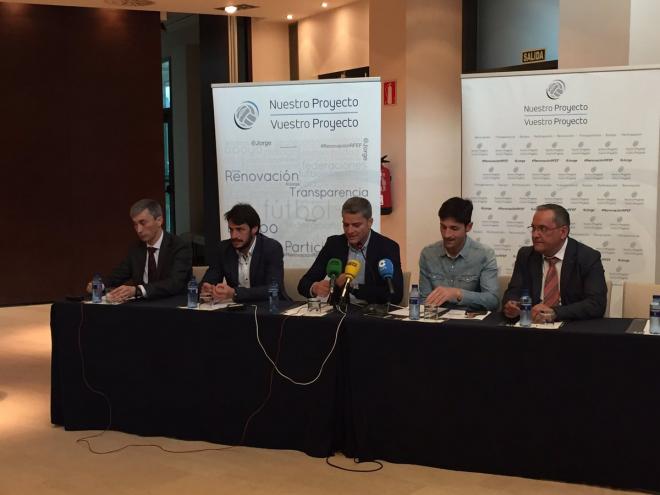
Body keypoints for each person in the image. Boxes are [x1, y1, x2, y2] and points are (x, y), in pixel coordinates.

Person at [502, 203, 607, 322]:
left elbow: (596, 304)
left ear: (563, 232)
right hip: (532, 325)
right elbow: (513, 291)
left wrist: (556, 313)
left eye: (542, 229)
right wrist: (512, 304)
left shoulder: (587, 257)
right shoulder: (526, 255)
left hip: (570, 327)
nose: (535, 235)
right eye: (533, 228)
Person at [297, 197, 403, 305]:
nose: (350, 231)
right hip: (338, 313)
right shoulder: (334, 244)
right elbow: (303, 284)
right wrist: (315, 287)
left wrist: (353, 287)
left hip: (372, 314)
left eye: (356, 225)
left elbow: (395, 295)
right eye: (346, 225)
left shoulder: (387, 247)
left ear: (370, 222)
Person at [87, 198, 192, 302]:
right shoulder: (136, 248)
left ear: (159, 221)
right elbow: (118, 275)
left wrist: (138, 290)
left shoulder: (179, 246)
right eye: (135, 224)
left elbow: (175, 283)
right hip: (142, 306)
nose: (139, 230)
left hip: (172, 306)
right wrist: (99, 285)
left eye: (143, 223)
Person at [419, 197, 499, 311]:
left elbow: (493, 301)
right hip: (436, 323)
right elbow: (424, 301)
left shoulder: (484, 254)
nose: (447, 234)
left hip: (469, 325)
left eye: (454, 228)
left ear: (468, 227)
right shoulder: (428, 254)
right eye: (443, 227)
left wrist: (458, 294)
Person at [200, 203, 287, 303]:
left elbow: (274, 289)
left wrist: (235, 293)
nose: (234, 236)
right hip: (237, 310)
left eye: (239, 229)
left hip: (269, 308)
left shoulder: (271, 248)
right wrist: (207, 289)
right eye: (231, 230)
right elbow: (209, 279)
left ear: (254, 229)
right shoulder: (224, 249)